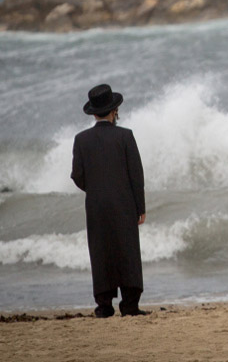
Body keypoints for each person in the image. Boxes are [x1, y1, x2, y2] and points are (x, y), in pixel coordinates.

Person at [71, 84, 148, 317]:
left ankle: (104, 306)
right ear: (114, 111)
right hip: (124, 203)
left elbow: (77, 175)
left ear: (94, 112)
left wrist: (95, 190)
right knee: (127, 250)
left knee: (100, 250)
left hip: (96, 205)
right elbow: (136, 175)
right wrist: (140, 207)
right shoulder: (125, 136)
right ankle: (130, 305)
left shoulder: (81, 139)